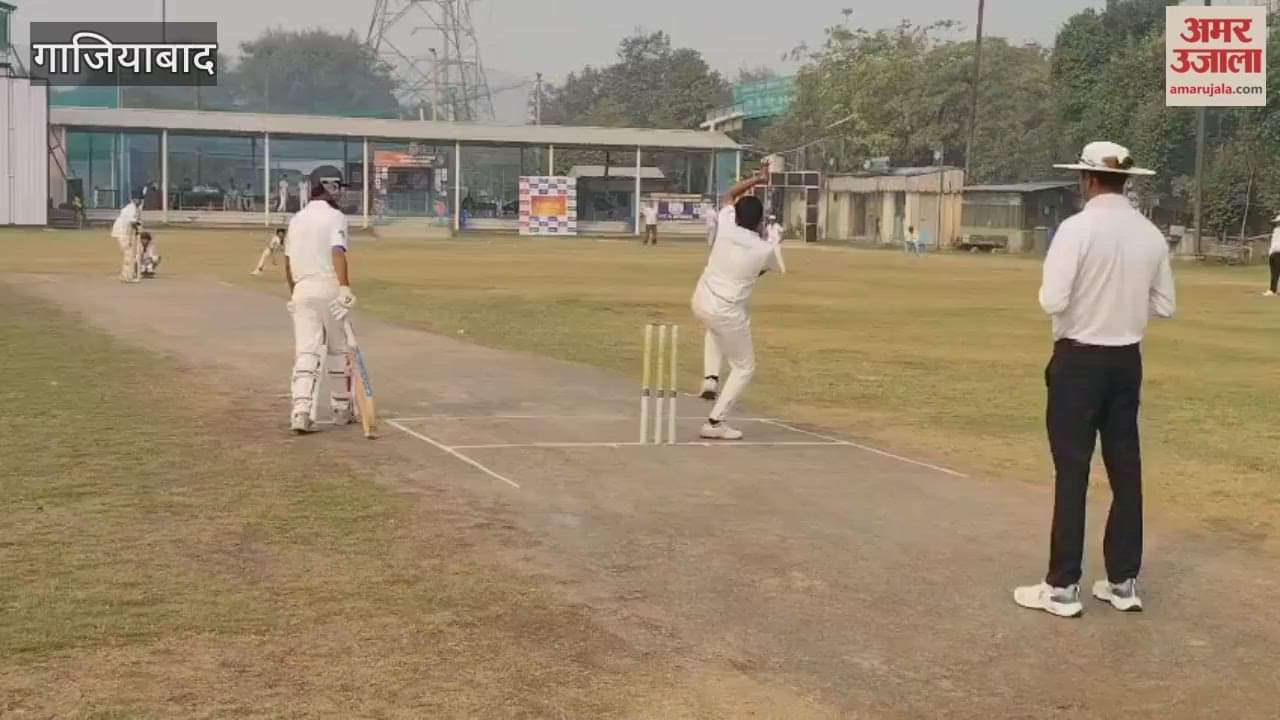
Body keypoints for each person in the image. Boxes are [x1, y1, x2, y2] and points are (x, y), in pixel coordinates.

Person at [1014, 141, 1176, 619]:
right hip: (1126, 360)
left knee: (1073, 471)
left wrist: (1094, 303)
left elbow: (1052, 300)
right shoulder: (1149, 234)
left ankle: (1063, 586)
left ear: (1086, 180)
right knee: (1126, 470)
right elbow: (1165, 305)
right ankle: (1123, 581)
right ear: (1126, 181)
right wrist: (1122, 304)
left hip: (1079, 360)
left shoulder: (1076, 229)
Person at [691, 163, 780, 440]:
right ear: (759, 221)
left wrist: (757, 179)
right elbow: (762, 271)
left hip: (701, 300)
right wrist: (773, 240)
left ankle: (710, 378)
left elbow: (728, 195)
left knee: (714, 327)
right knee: (744, 367)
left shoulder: (726, 226)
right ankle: (715, 422)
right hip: (727, 311)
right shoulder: (765, 250)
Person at [284, 166, 357, 434]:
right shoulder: (336, 218)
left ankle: (301, 412)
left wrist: (295, 290)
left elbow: (288, 261)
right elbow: (337, 251)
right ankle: (340, 409)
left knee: (306, 352)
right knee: (339, 350)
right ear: (329, 186)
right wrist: (345, 287)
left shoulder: (296, 219)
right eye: (338, 186)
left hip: (301, 288)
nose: (341, 192)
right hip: (329, 287)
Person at [111, 194, 144, 283]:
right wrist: (138, 226)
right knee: (129, 253)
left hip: (128, 232)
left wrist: (138, 224)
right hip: (122, 232)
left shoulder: (136, 209)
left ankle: (130, 273)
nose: (140, 201)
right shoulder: (130, 208)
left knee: (135, 252)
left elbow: (136, 221)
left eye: (140, 199)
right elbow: (132, 222)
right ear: (133, 199)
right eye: (138, 199)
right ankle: (126, 276)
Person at [1265, 213, 1280, 297]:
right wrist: (1270, 253)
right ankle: (1273, 290)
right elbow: (1273, 243)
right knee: (1274, 273)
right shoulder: (1275, 230)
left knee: (1276, 273)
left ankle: (1274, 290)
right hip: (1273, 253)